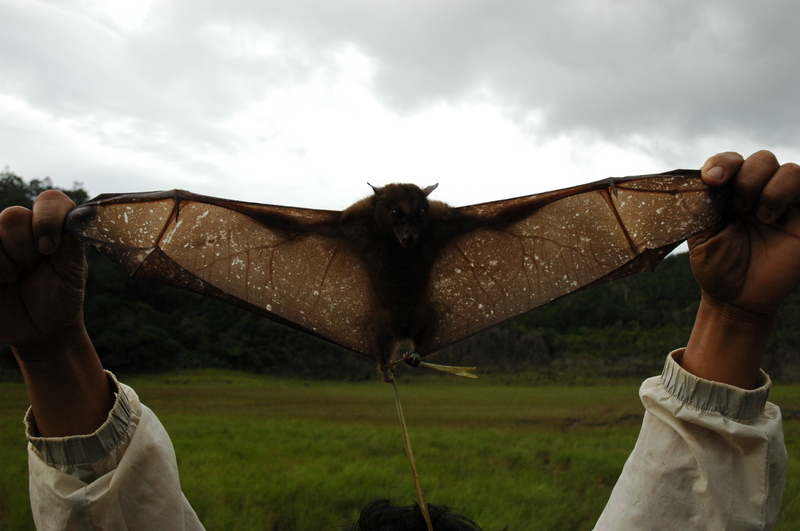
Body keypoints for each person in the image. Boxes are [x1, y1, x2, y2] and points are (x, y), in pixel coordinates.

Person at [1, 150, 798, 530]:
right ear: (379, 210)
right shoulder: (340, 232)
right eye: (401, 215)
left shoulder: (462, 230)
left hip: (419, 318)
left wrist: (52, 355)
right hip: (376, 319)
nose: (411, 227)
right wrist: (735, 326)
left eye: (419, 215)